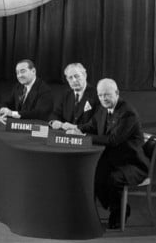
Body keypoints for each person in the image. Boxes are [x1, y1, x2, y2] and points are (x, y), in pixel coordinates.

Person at [52, 79, 149, 229]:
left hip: (131, 163)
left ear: (117, 93)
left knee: (111, 178)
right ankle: (103, 209)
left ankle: (119, 211)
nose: (103, 98)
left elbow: (113, 140)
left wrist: (83, 137)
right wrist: (76, 129)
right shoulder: (103, 108)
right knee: (91, 174)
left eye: (107, 95)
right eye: (101, 95)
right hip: (112, 160)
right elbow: (91, 126)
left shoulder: (128, 114)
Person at [0, 59, 70, 122]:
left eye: (23, 71)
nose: (19, 76)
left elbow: (39, 113)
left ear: (33, 71)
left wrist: (12, 113)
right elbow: (7, 102)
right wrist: (3, 108)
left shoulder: (44, 90)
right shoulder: (18, 86)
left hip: (36, 128)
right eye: (17, 73)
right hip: (17, 125)